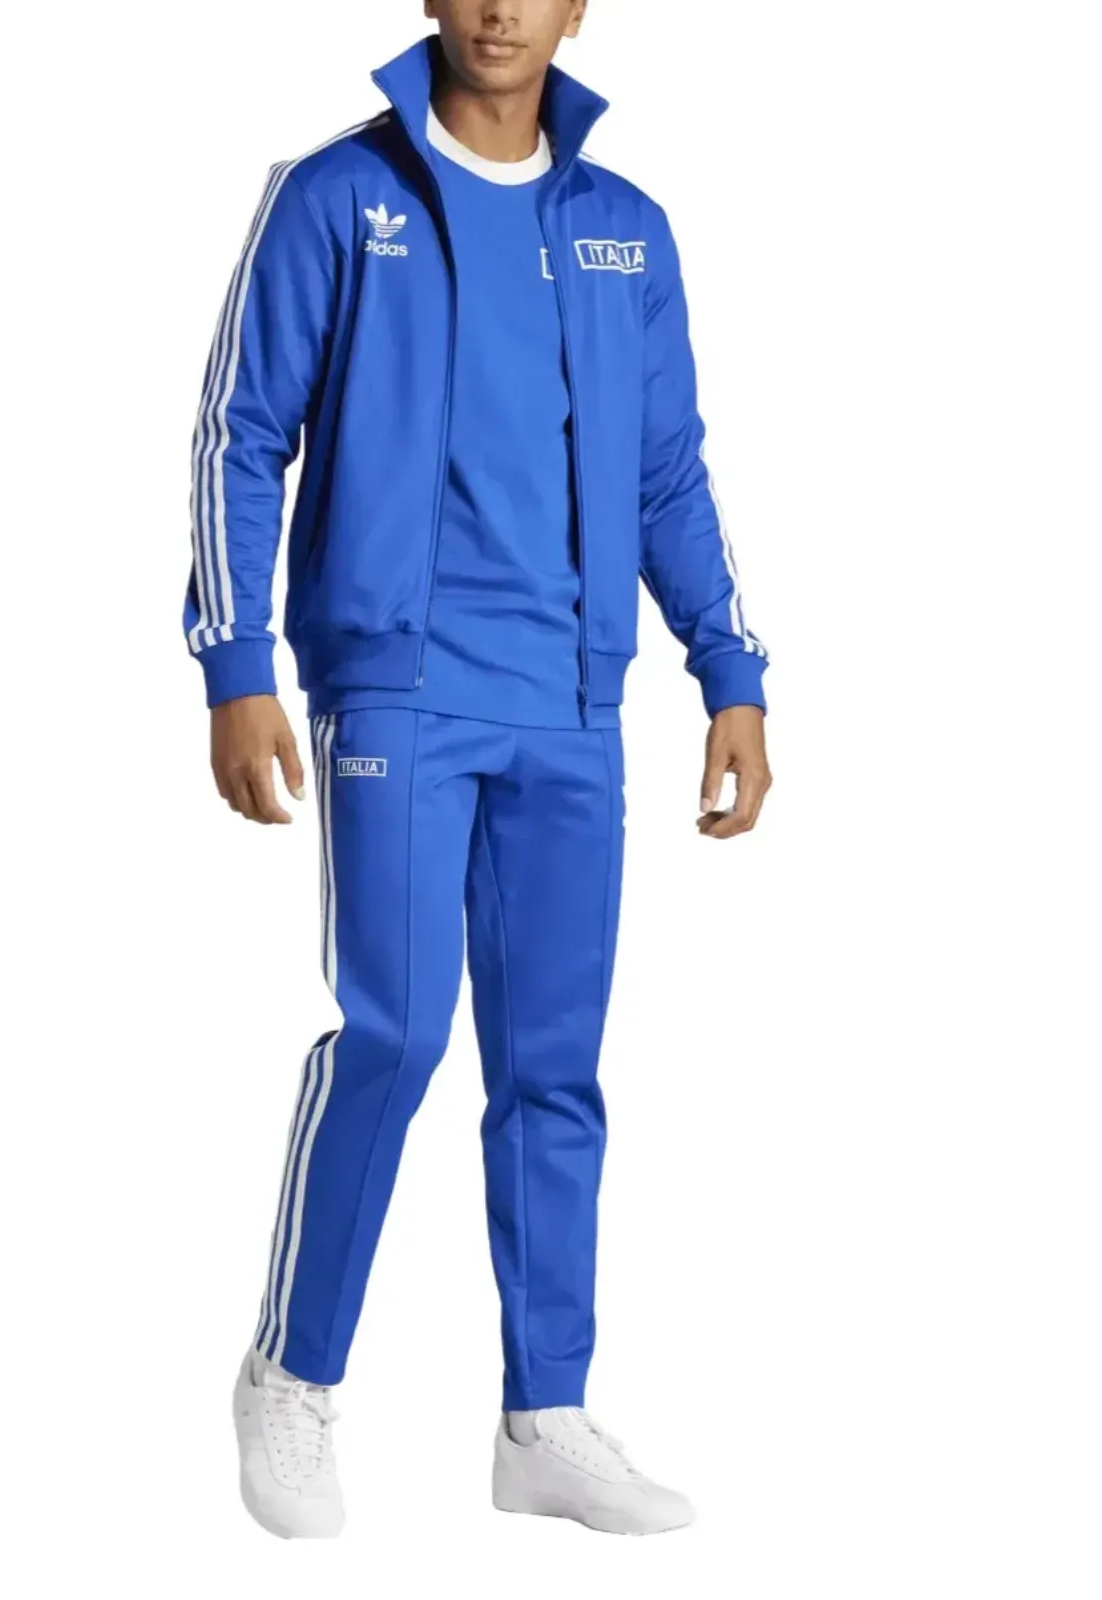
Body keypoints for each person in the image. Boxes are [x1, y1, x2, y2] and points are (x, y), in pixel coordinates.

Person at [188, 1, 770, 1539]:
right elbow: (242, 432)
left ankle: (545, 1417)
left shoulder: (626, 229)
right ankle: (291, 1374)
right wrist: (236, 664)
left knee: (553, 1068)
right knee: (394, 1033)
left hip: (572, 700)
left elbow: (667, 473)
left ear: (580, 7)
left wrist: (729, 669)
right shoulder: (337, 195)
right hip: (399, 684)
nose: (502, 9)